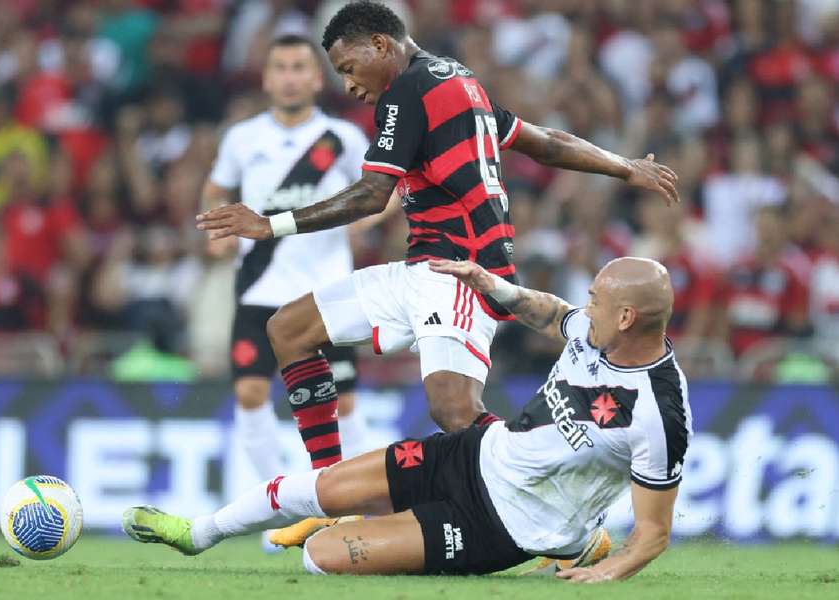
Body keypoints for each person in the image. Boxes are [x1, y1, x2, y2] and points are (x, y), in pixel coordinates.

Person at [195, 0, 680, 535]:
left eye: (348, 68)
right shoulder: (457, 82)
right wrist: (622, 166)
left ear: (380, 45)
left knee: (455, 414)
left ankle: (556, 517)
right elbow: (543, 143)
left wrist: (271, 224)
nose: (349, 85)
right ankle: (330, 495)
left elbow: (372, 195)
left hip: (460, 272)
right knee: (289, 328)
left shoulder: (408, 92)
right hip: (422, 268)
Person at [123, 256, 691, 581]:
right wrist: (493, 287)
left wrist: (611, 571)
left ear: (626, 315)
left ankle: (577, 543)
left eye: (595, 300)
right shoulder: (593, 334)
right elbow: (552, 312)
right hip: (475, 452)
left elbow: (653, 533)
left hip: (503, 526)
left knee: (321, 558)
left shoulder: (659, 410)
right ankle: (197, 534)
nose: (583, 307)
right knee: (319, 491)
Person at [199, 34, 377, 546]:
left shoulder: (339, 138)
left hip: (325, 295)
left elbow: (383, 192)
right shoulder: (242, 138)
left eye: (301, 66)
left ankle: (352, 506)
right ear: (267, 78)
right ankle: (276, 502)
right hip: (259, 287)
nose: (291, 76)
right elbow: (215, 189)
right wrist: (216, 231)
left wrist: (365, 221)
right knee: (250, 393)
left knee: (341, 402)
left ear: (316, 78)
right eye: (282, 67)